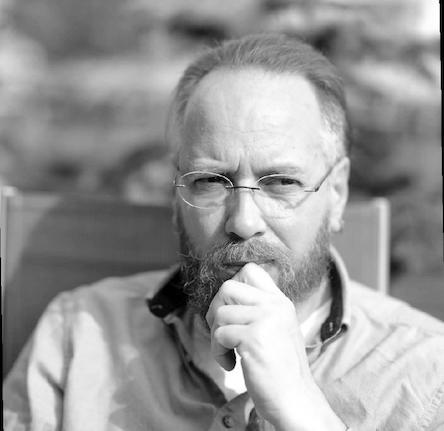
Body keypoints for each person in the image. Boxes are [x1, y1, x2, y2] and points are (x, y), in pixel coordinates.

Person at [3, 34, 444, 431]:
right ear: (176, 195)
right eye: (212, 181)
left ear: (338, 193)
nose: (244, 221)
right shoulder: (77, 336)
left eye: (281, 182)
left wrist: (303, 411)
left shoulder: (425, 375)